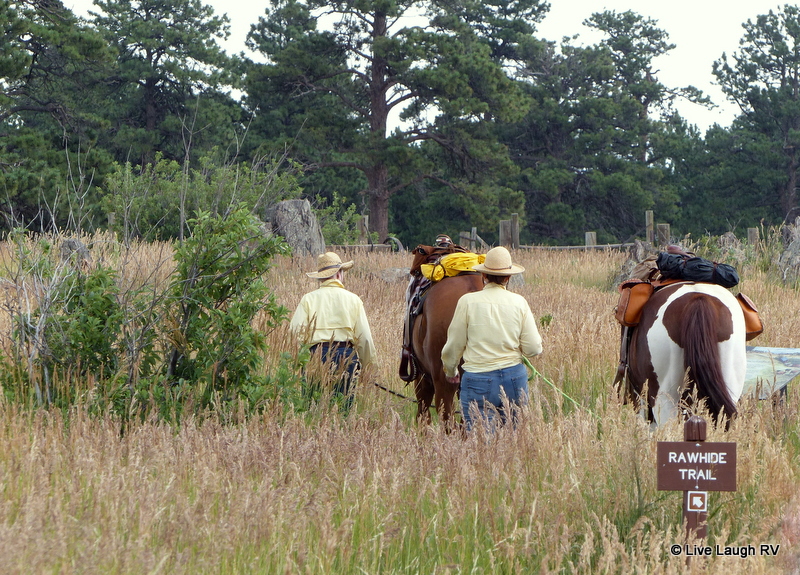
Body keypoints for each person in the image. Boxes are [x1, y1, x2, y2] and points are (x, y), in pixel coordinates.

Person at [441, 246, 543, 431]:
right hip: (514, 378)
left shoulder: (467, 302)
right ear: (508, 277)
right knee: (513, 441)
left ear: (484, 276)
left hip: (478, 379)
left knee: (481, 443)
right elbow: (534, 348)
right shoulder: (520, 302)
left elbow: (454, 346)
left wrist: (450, 370)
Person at [290, 251, 376, 411]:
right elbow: (365, 340)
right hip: (346, 356)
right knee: (343, 411)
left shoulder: (308, 299)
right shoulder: (354, 300)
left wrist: (297, 363)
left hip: (314, 357)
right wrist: (368, 368)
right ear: (339, 274)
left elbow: (295, 334)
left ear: (321, 277)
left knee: (312, 410)